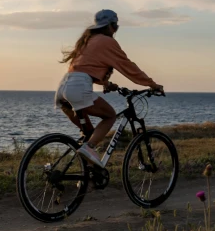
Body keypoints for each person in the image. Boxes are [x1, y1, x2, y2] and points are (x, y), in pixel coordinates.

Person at [55, 9, 163, 166]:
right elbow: (128, 67)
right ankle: (90, 147)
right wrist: (152, 84)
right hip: (78, 87)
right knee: (110, 116)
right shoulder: (107, 42)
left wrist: (106, 84)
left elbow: (86, 69)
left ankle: (87, 178)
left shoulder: (88, 40)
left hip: (64, 88)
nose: (115, 30)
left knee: (90, 134)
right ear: (111, 26)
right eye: (116, 26)